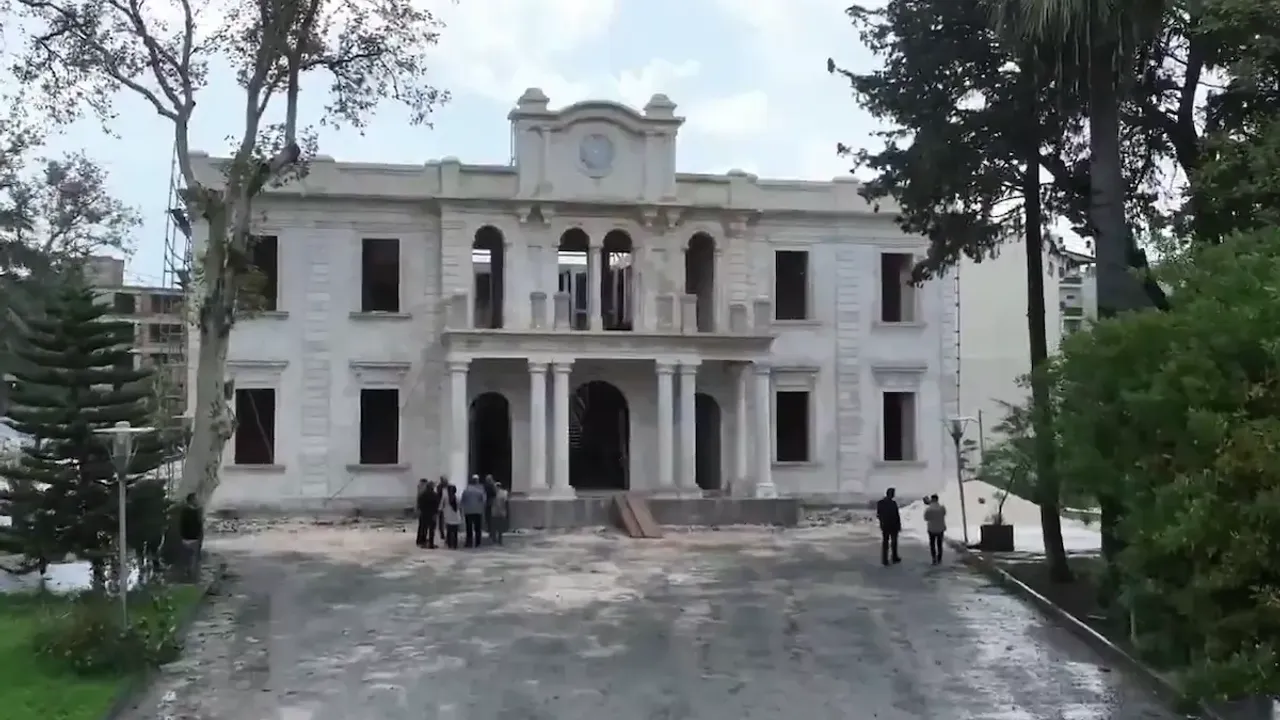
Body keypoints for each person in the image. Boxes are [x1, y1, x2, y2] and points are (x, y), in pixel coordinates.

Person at [177, 493, 204, 582]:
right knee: (193, 559)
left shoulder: (185, 511)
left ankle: (189, 575)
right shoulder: (193, 512)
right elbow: (198, 526)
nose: (197, 500)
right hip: (192, 539)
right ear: (192, 500)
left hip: (187, 538)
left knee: (189, 559)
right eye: (195, 499)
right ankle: (192, 578)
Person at [876, 487, 902, 566]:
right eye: (893, 493)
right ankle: (893, 557)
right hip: (892, 525)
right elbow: (896, 515)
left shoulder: (880, 503)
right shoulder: (893, 503)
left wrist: (882, 521)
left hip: (886, 525)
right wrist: (899, 525)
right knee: (893, 542)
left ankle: (886, 559)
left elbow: (879, 514)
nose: (894, 495)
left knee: (886, 542)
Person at [460, 475, 487, 548]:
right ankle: (478, 543)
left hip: (468, 511)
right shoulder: (480, 490)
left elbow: (463, 500)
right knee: (478, 528)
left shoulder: (467, 489)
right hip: (478, 511)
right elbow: (484, 500)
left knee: (469, 528)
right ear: (477, 481)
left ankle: (469, 542)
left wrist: (462, 508)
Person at [415, 478, 439, 548]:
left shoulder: (423, 494)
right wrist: (436, 513)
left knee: (423, 528)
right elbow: (436, 505)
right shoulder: (435, 495)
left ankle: (422, 542)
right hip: (432, 514)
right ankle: (431, 543)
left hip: (424, 514)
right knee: (431, 530)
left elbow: (420, 503)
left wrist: (420, 510)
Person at [924, 493, 947, 565]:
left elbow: (926, 518)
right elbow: (944, 514)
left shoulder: (928, 509)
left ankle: (934, 558)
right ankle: (939, 558)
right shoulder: (942, 508)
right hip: (940, 528)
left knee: (932, 544)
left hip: (931, 529)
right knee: (939, 544)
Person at [440, 484, 462, 549]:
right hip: (456, 517)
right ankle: (455, 544)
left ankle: (449, 544)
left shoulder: (445, 498)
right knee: (455, 532)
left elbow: (441, 506)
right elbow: (460, 507)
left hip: (448, 516)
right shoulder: (458, 498)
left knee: (449, 531)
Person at [436, 477, 449, 544]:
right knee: (442, 521)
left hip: (444, 506)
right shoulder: (440, 488)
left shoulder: (444, 488)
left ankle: (444, 534)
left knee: (444, 521)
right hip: (442, 506)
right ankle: (442, 534)